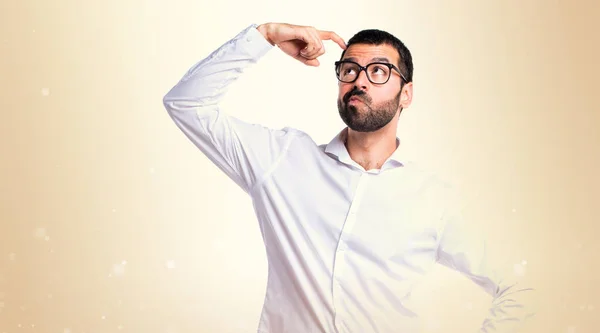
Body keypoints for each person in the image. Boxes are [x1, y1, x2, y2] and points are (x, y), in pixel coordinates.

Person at [163, 22, 535, 333]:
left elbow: (519, 286)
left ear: (406, 94)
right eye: (349, 70)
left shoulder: (432, 199)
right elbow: (185, 104)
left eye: (378, 71)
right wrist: (266, 35)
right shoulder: (282, 160)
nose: (359, 81)